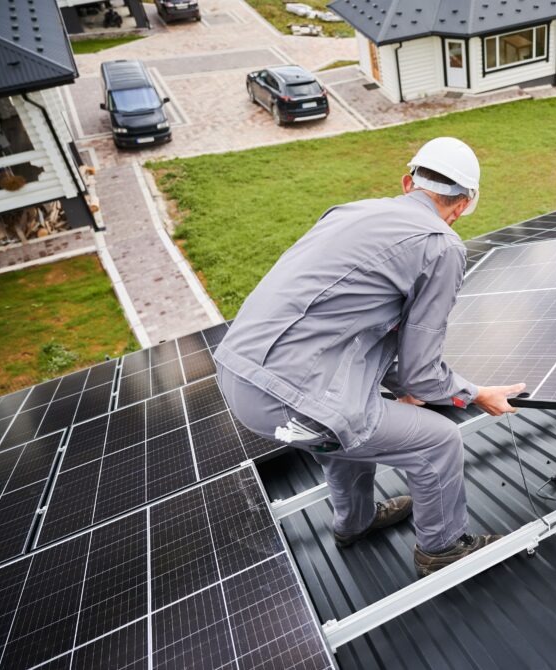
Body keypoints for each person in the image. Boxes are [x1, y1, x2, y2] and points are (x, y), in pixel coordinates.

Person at [214, 137, 525, 578]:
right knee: (438, 442)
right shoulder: (442, 245)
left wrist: (406, 387)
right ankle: (442, 549)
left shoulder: (349, 211)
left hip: (235, 374)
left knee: (350, 426)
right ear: (462, 205)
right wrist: (474, 394)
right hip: (291, 398)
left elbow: (352, 323)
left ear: (407, 183)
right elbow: (421, 372)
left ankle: (354, 523)